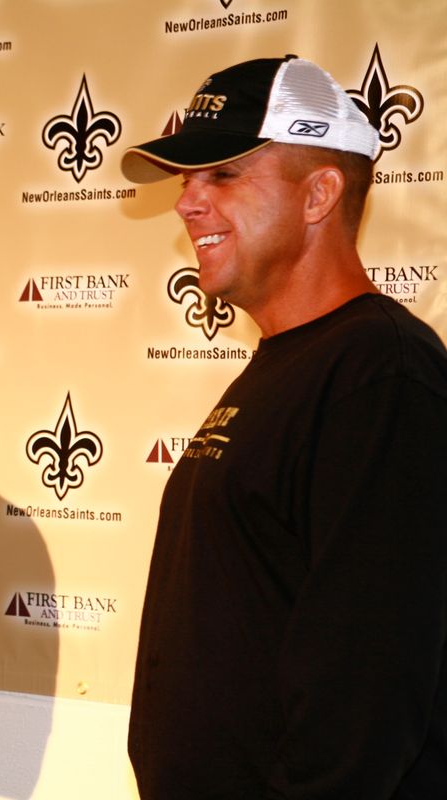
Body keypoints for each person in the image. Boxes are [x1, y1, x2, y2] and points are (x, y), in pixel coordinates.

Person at [121, 55, 447, 798]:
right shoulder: (294, 365)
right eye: (184, 179)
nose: (187, 203)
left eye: (223, 175)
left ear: (319, 194)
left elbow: (370, 689)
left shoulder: (379, 376)